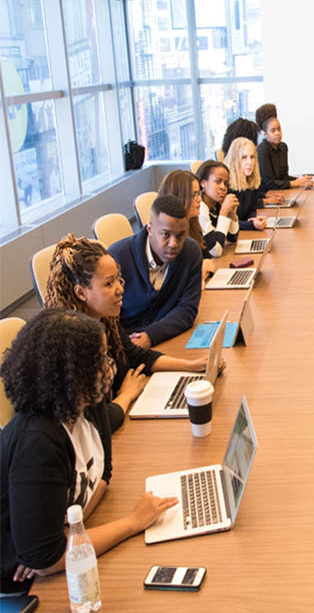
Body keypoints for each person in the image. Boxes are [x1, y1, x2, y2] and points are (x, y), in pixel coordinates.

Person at [0, 309, 177, 595]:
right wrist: (132, 522)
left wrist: (73, 532)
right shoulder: (38, 442)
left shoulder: (84, 402)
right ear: (71, 375)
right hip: (23, 584)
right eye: (99, 361)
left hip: (58, 548)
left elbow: (104, 474)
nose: (109, 367)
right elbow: (45, 560)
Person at [44, 235, 208, 432]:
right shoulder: (70, 346)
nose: (120, 289)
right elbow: (91, 426)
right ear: (81, 293)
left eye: (118, 280)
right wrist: (126, 395)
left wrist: (192, 366)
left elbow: (137, 356)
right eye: (108, 284)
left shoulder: (105, 320)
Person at [108, 195, 202, 349]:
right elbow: (104, 318)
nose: (174, 244)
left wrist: (150, 336)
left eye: (180, 235)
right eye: (165, 234)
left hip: (166, 340)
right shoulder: (116, 257)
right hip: (125, 346)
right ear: (150, 230)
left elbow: (187, 309)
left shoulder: (191, 252)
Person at [255, 103, 312, 192]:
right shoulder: (262, 150)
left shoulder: (283, 147)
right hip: (268, 193)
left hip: (281, 191)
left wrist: (302, 181)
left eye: (279, 129)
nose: (277, 133)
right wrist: (296, 183)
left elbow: (284, 177)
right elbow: (269, 183)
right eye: (273, 131)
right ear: (265, 134)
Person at [196, 160, 240, 258]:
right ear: (203, 183)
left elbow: (232, 239)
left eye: (226, 183)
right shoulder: (200, 207)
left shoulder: (217, 204)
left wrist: (232, 213)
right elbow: (215, 251)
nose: (223, 187)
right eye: (218, 181)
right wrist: (224, 212)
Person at [224, 138, 270, 229]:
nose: (249, 162)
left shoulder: (251, 181)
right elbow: (227, 222)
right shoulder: (226, 185)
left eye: (252, 157)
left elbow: (251, 209)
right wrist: (251, 225)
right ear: (235, 160)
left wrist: (253, 219)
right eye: (244, 158)